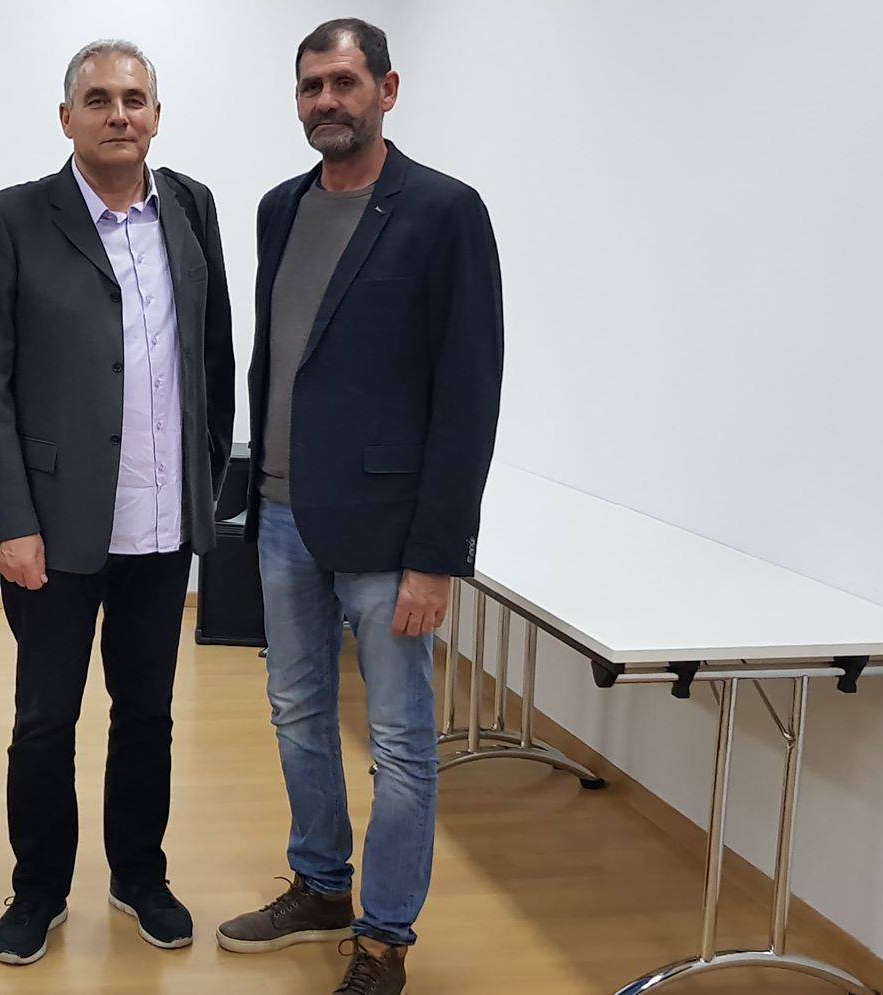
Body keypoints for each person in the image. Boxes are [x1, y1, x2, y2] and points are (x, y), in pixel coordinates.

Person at [213, 18, 505, 995]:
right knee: (296, 710)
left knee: (400, 741)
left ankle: (384, 938)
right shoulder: (278, 208)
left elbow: (467, 392)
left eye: (343, 82)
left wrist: (437, 555)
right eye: (311, 87)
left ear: (387, 88)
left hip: (388, 535)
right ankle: (321, 883)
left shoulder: (442, 211)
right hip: (282, 514)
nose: (326, 101)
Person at [0, 38, 235, 967]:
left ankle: (139, 874)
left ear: (156, 114)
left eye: (135, 98)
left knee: (146, 712)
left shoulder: (190, 207)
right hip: (53, 527)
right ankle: (38, 886)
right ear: (66, 117)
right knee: (45, 718)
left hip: (162, 521)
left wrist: (204, 486)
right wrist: (8, 518)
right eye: (100, 99)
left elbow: (213, 354)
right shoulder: (9, 218)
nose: (120, 113)